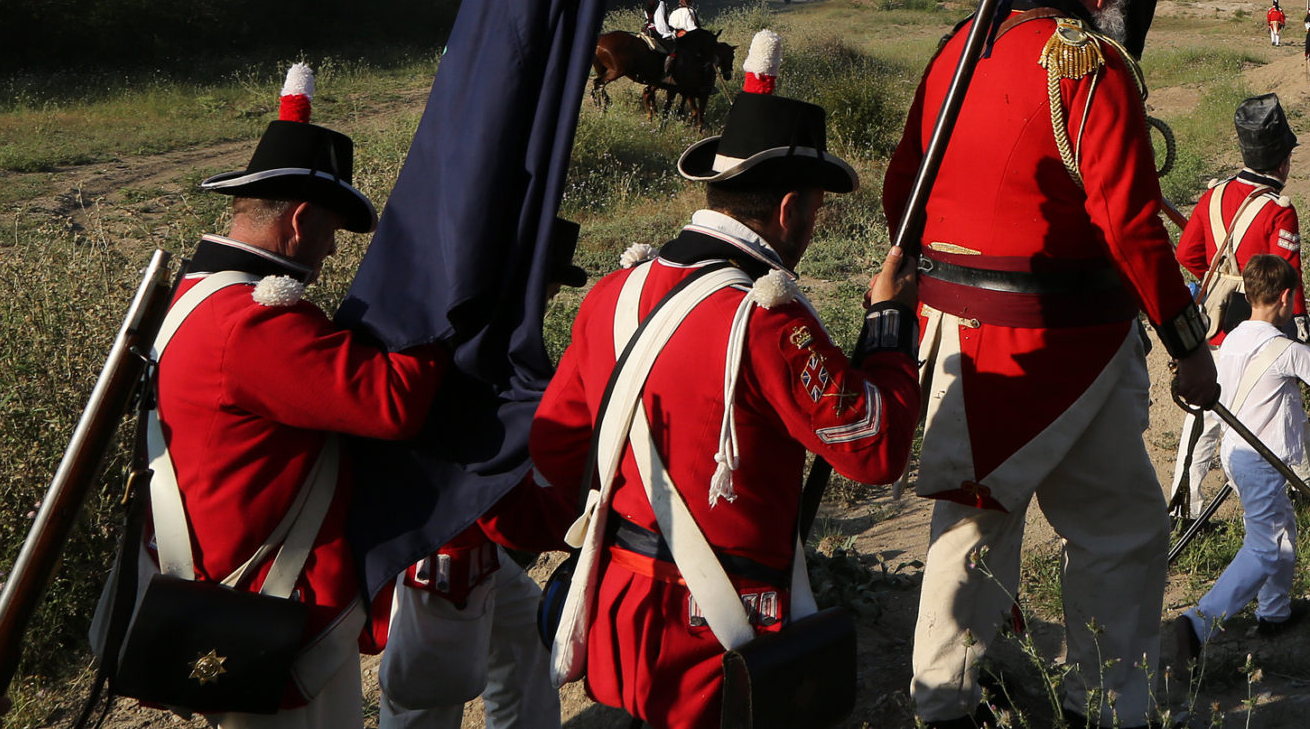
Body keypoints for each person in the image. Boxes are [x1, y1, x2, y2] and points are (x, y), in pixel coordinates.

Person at [880, 0, 1213, 729]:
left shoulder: (961, 43)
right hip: (1061, 345)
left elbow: (900, 192)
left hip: (960, 336)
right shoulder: (1086, 61)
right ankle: (1097, 705)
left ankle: (959, 703)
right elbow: (1133, 227)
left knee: (1003, 527)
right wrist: (1186, 338)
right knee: (1097, 532)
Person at [532, 89, 920, 729]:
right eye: (816, 211)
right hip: (717, 633)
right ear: (789, 208)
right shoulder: (764, 317)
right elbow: (874, 447)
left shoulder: (611, 292)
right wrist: (889, 325)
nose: (814, 227)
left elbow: (555, 449)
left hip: (619, 614)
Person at [133, 64, 448, 729]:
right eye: (332, 230)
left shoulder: (197, 298)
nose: (332, 251)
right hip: (265, 614)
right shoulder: (251, 322)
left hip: (229, 599)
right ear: (300, 221)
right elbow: (393, 402)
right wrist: (437, 320)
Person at [380, 220, 594, 729]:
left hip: (470, 544)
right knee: (426, 694)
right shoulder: (479, 355)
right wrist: (580, 528)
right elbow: (498, 500)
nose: (548, 300)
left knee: (524, 641)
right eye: (547, 287)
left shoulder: (485, 338)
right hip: (439, 547)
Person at [1168, 257, 1310, 665]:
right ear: (1285, 298)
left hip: (1236, 452)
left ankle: (1274, 613)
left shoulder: (1231, 340)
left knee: (1282, 530)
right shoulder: (1285, 349)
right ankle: (1197, 622)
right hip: (1261, 460)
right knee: (1265, 549)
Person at [1170, 96, 1310, 521]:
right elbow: (1286, 277)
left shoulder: (1214, 195)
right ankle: (1299, 480)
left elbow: (1187, 253)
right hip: (1259, 324)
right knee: (1278, 402)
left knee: (1202, 416)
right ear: (1282, 161)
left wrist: (1222, 281)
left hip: (1213, 323)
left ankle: (1184, 505)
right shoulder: (1278, 210)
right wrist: (1299, 330)